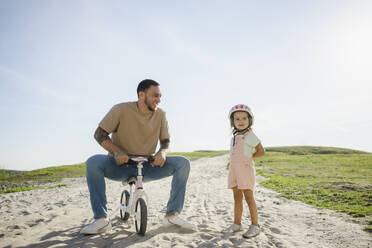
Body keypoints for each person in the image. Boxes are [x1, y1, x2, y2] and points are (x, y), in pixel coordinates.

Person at [80, 79, 196, 234]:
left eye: (160, 96)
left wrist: (162, 152)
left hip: (148, 165)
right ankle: (101, 219)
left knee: (183, 163)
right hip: (120, 165)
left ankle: (171, 215)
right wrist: (117, 151)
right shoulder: (120, 109)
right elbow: (99, 134)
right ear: (141, 95)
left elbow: (166, 142)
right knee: (93, 162)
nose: (159, 100)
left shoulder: (161, 115)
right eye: (155, 95)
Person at [221, 104, 265, 238]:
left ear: (249, 120)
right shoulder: (234, 136)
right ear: (232, 121)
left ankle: (255, 225)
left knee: (248, 197)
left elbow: (261, 151)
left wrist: (249, 158)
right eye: (237, 119)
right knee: (237, 197)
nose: (240, 121)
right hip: (234, 170)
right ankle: (237, 224)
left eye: (244, 118)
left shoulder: (250, 135)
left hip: (245, 170)